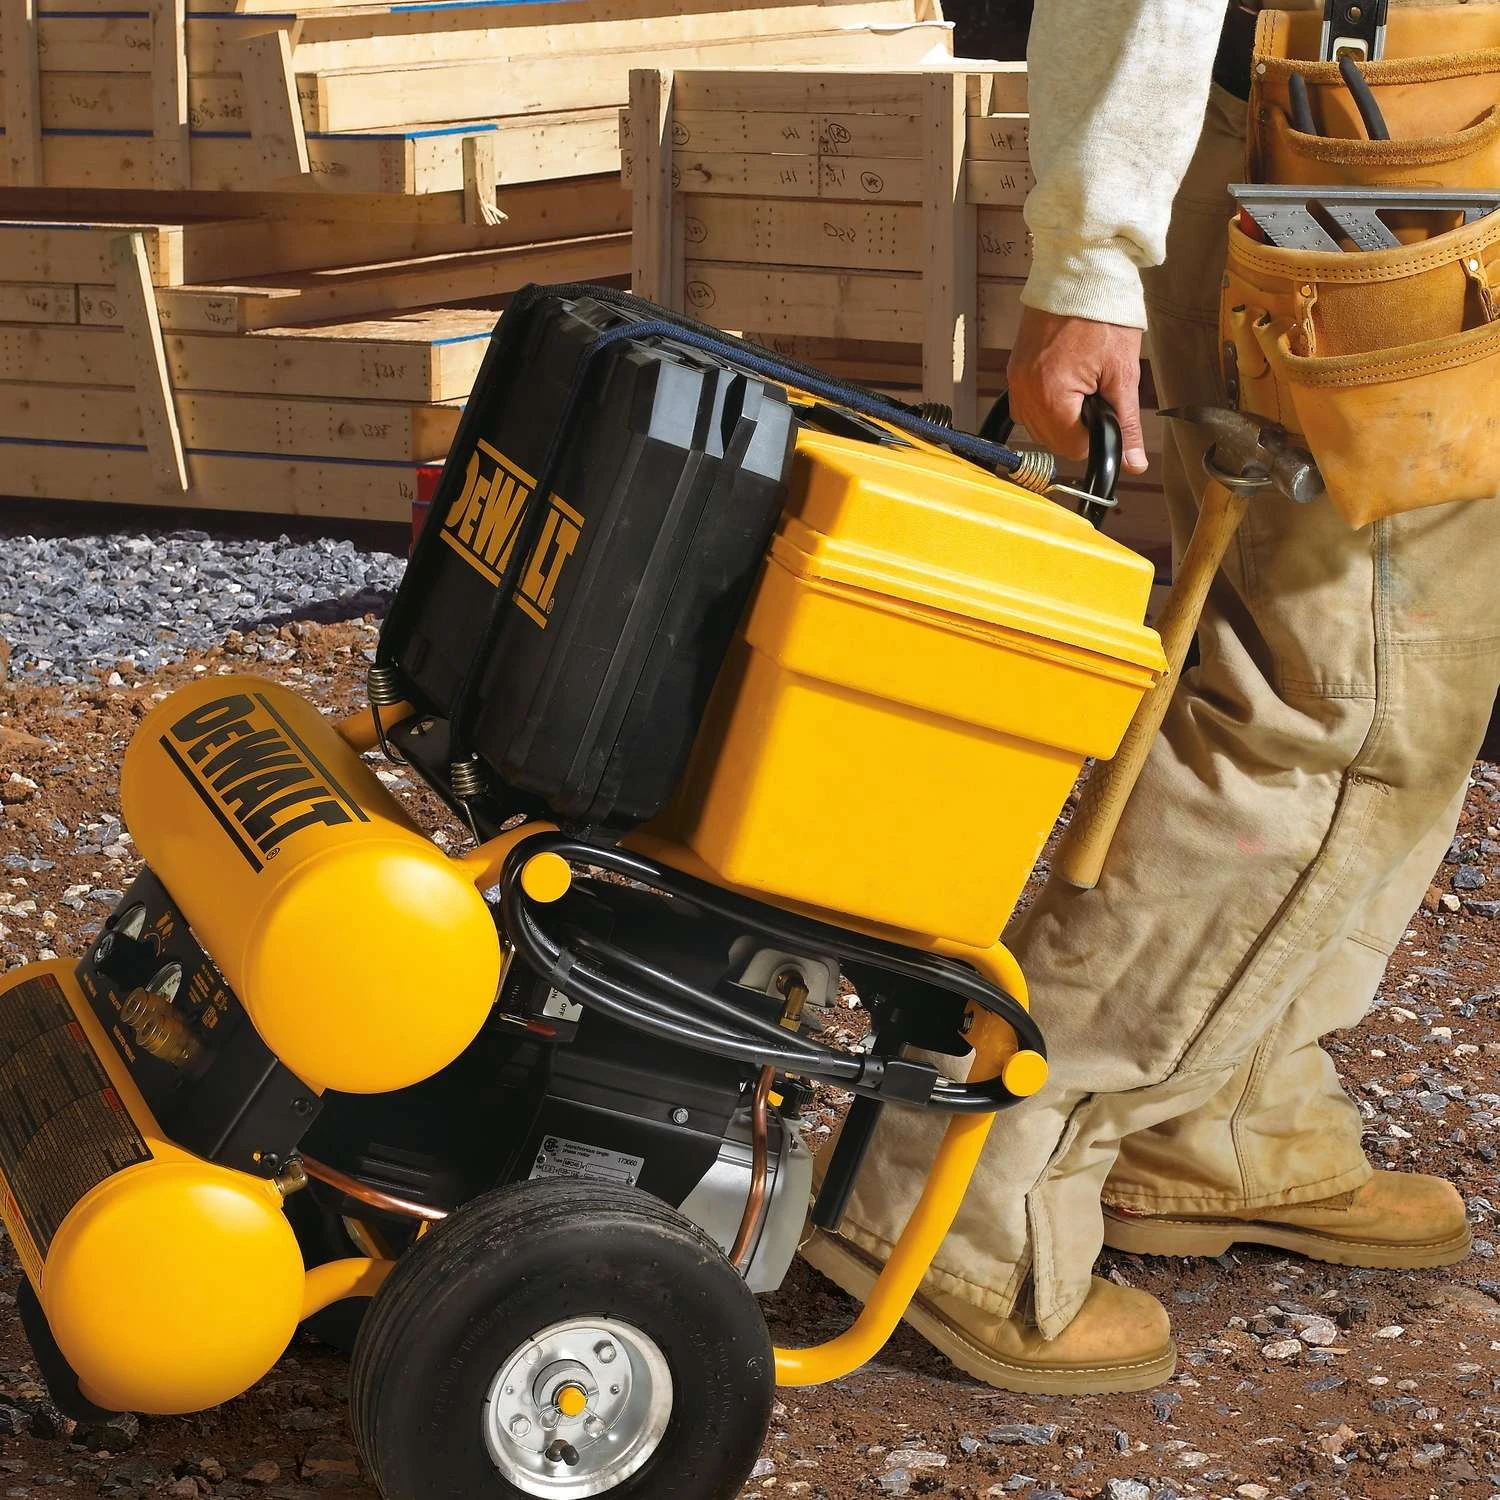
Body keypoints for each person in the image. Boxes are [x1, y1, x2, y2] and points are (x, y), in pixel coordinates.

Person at [803, 0, 1495, 1394]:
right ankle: (956, 1186)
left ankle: (1222, 1114)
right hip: (1363, 143)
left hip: (1415, 134)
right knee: (1341, 709)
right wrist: (1092, 258)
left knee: (1372, 661)